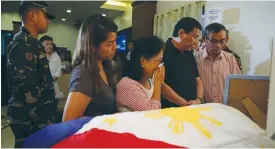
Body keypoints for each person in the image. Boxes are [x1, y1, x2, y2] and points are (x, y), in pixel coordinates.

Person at [6, 1, 55, 147]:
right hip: (29, 120)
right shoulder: (22, 44)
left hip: (34, 119)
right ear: (32, 15)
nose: (48, 21)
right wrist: (44, 122)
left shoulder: (33, 44)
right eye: (45, 16)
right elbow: (28, 91)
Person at [62, 14, 118, 122]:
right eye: (109, 44)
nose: (114, 47)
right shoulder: (84, 73)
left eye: (115, 41)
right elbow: (69, 121)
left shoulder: (104, 65)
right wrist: (107, 120)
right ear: (92, 46)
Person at [162, 17, 204, 108]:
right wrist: (185, 104)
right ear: (181, 33)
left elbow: (197, 80)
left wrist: (199, 100)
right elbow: (160, 85)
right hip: (171, 109)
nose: (197, 43)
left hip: (192, 108)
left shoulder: (189, 53)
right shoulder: (162, 52)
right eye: (195, 37)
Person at [194, 23, 241, 103]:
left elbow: (237, 84)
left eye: (222, 41)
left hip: (225, 108)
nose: (218, 45)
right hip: (201, 109)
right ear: (204, 39)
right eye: (213, 41)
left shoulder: (230, 58)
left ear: (227, 39)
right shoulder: (195, 59)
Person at [116, 36, 165, 111]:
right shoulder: (127, 85)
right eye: (159, 61)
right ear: (143, 61)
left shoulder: (148, 78)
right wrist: (157, 82)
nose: (161, 65)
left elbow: (164, 88)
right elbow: (152, 114)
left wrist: (185, 103)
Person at [40, 36, 63, 120]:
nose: (49, 46)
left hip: (54, 83)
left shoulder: (55, 56)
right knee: (44, 107)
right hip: (43, 85)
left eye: (51, 44)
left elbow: (60, 68)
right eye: (47, 44)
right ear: (42, 45)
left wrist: (55, 76)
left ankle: (53, 121)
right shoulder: (39, 56)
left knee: (54, 106)